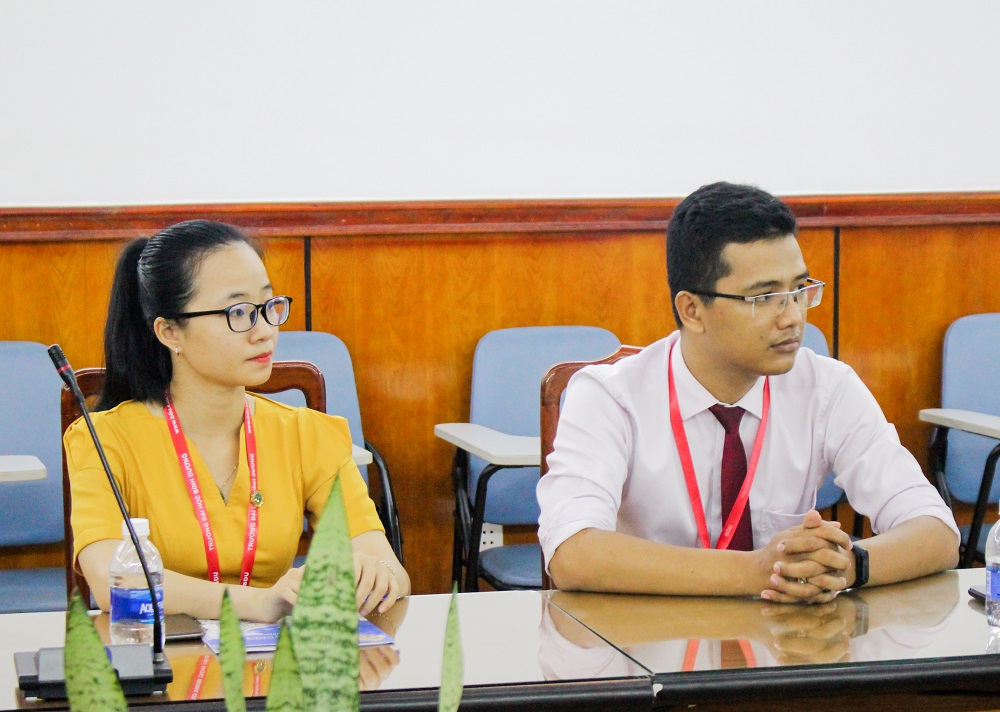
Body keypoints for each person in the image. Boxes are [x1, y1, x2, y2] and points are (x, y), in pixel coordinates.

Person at [537, 182, 959, 603]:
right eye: (765, 297)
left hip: (784, 635)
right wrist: (759, 572)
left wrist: (847, 566)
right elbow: (573, 553)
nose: (792, 317)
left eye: (799, 290)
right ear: (692, 310)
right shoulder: (610, 397)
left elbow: (936, 530)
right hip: (646, 635)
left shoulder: (826, 388)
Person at [66, 220, 410, 622]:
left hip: (275, 658)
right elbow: (113, 582)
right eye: (239, 312)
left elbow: (389, 568)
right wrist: (257, 602)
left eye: (268, 307)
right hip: (160, 653)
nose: (264, 332)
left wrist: (375, 574)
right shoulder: (103, 439)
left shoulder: (307, 433)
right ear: (170, 332)